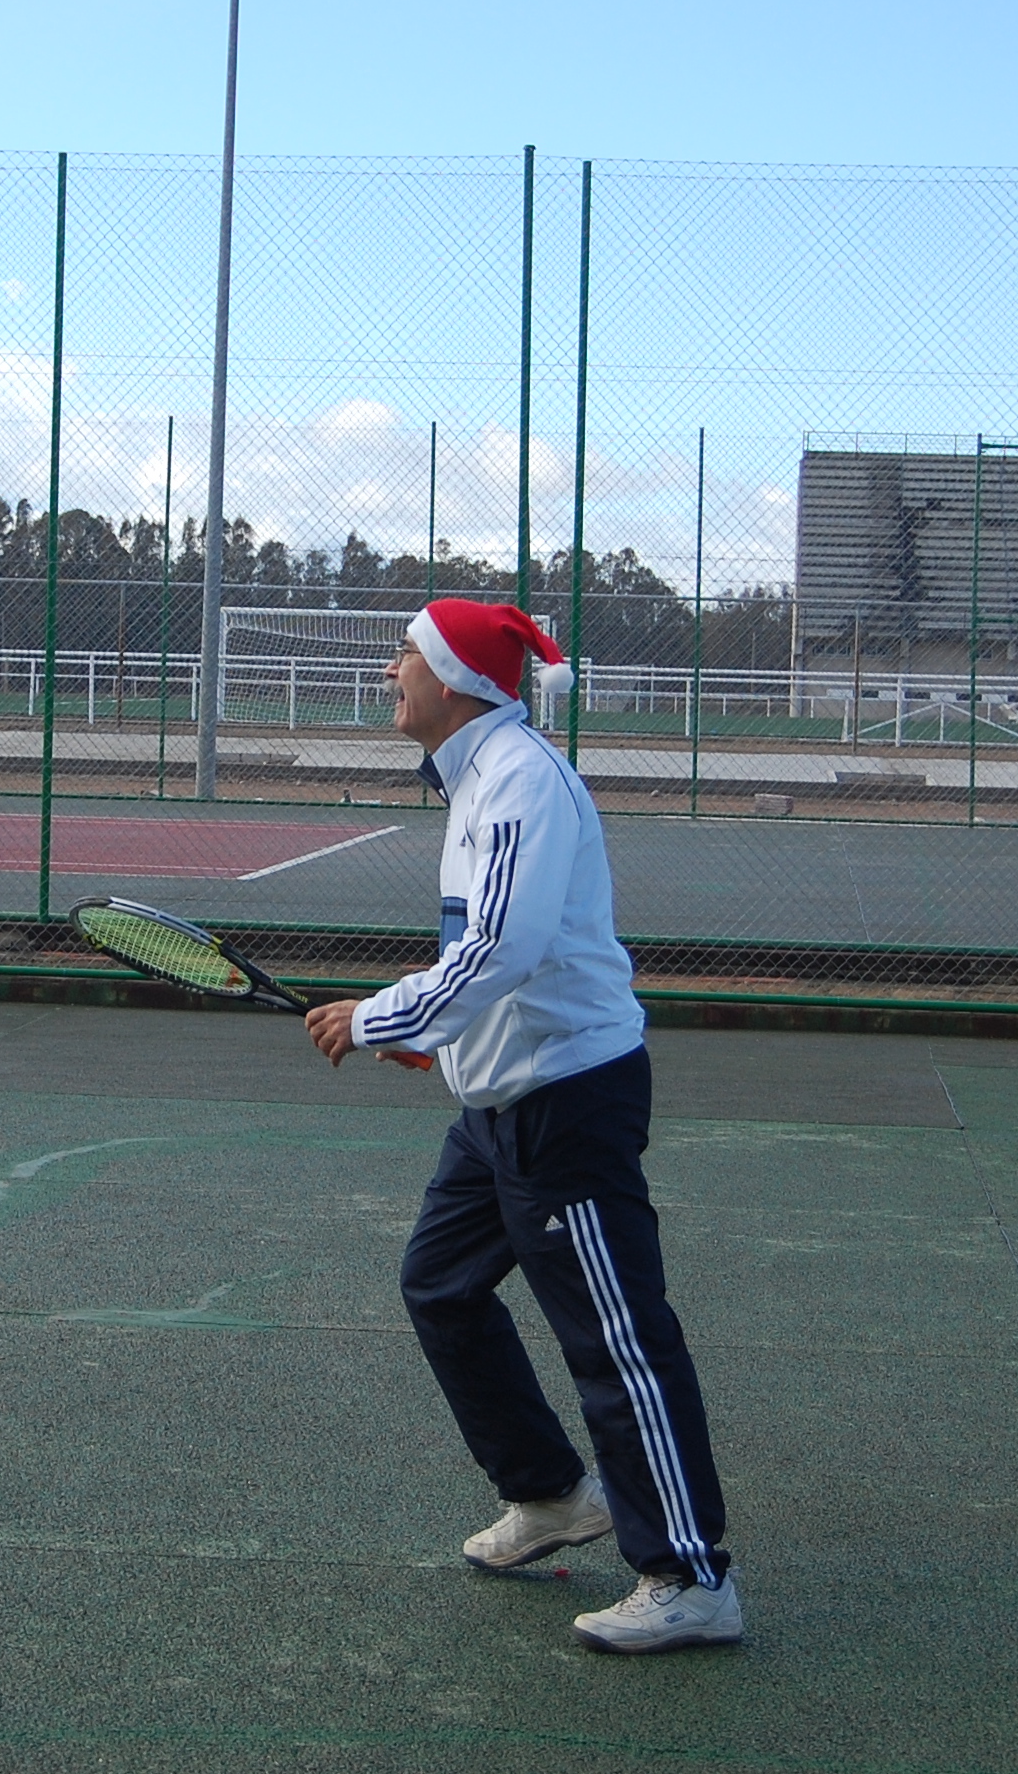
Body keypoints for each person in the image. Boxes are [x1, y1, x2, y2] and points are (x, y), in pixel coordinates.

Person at [304, 598, 741, 1654]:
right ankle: (547, 1493)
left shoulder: (516, 782)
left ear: (455, 676)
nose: (391, 669)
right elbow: (497, 959)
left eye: (406, 652)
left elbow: (501, 945)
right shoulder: (475, 777)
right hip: (497, 1102)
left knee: (617, 1339)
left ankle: (688, 1575)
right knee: (439, 1284)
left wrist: (379, 1017)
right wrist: (439, 1037)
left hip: (565, 1103)